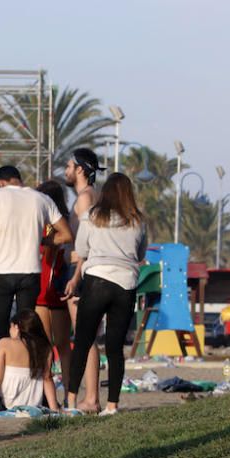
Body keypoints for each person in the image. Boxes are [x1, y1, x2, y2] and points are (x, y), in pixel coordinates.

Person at [65, 173, 147, 416]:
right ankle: (112, 405)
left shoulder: (91, 216)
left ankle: (70, 401)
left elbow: (81, 250)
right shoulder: (138, 220)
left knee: (82, 341)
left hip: (97, 281)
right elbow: (141, 252)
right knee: (114, 347)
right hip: (126, 284)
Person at [0, 165, 72, 347]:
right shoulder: (42, 199)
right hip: (30, 272)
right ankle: (27, 370)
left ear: (0, 182)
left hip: (3, 271)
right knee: (27, 329)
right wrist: (42, 240)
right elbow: (66, 235)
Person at [63, 148, 104, 411]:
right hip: (82, 269)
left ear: (80, 169)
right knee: (85, 336)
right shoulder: (88, 197)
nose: (65, 171)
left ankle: (91, 398)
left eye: (68, 166)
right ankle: (90, 397)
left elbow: (87, 241)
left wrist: (76, 276)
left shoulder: (85, 199)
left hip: (81, 271)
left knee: (85, 337)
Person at [33, 180, 73, 398]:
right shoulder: (65, 222)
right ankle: (67, 393)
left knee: (48, 345)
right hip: (54, 287)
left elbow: (49, 251)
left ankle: (50, 394)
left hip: (46, 286)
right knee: (61, 345)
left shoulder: (48, 225)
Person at [0, 309, 59, 411]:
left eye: (10, 327)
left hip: (7, 405)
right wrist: (55, 409)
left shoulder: (5, 344)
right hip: (34, 405)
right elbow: (47, 379)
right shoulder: (45, 348)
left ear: (16, 327)